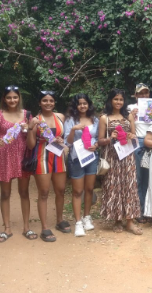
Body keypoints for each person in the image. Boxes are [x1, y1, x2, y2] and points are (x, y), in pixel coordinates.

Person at [0, 86, 34, 242]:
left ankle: (26, 227)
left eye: (15, 97)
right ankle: (7, 228)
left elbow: (31, 137)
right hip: (5, 156)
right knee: (5, 193)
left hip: (23, 156)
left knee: (24, 192)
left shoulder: (27, 114)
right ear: (4, 99)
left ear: (19, 98)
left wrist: (28, 129)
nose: (12, 100)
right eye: (9, 97)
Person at [98, 89, 143, 235]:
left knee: (129, 186)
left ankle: (130, 222)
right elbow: (100, 141)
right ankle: (117, 220)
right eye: (116, 99)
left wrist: (131, 135)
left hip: (128, 156)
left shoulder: (128, 116)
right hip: (112, 157)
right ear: (111, 100)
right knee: (114, 187)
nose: (118, 102)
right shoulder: (104, 118)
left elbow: (135, 136)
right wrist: (110, 137)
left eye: (121, 99)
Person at [26, 91, 69, 242]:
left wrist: (60, 139)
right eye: (44, 100)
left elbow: (64, 137)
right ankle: (44, 227)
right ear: (39, 103)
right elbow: (31, 145)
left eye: (51, 100)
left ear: (54, 102)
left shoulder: (60, 117)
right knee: (43, 192)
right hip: (42, 156)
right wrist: (31, 128)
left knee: (61, 190)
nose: (48, 103)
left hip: (58, 156)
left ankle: (59, 220)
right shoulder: (36, 120)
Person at [64, 93, 99, 237]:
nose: (82, 106)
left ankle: (87, 217)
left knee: (89, 188)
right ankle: (78, 222)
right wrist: (73, 129)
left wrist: (96, 145)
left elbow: (97, 137)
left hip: (91, 157)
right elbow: (68, 141)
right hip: (76, 158)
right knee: (77, 191)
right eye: (80, 103)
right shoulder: (71, 120)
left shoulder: (95, 120)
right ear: (76, 105)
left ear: (89, 104)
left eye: (85, 103)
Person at [128, 83, 152, 223]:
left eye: (146, 93)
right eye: (140, 93)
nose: (144, 96)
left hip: (151, 143)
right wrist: (131, 117)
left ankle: (148, 209)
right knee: (137, 177)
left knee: (148, 177)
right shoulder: (131, 108)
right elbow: (124, 126)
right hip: (137, 143)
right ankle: (138, 210)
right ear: (136, 95)